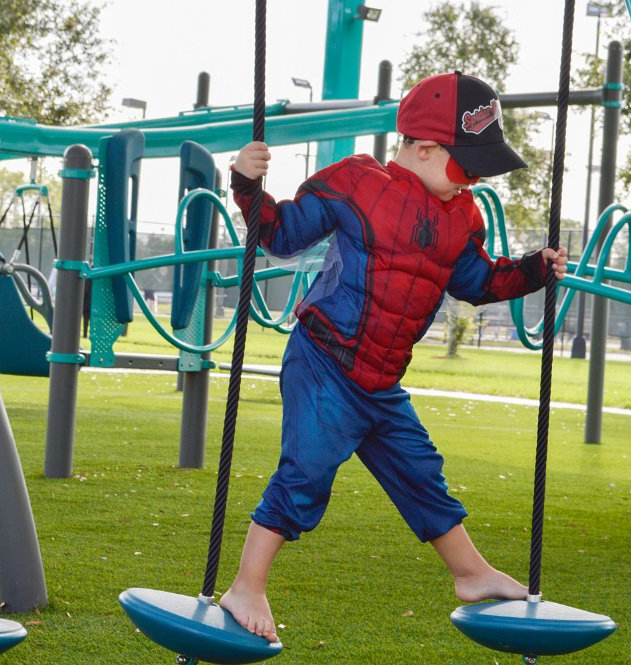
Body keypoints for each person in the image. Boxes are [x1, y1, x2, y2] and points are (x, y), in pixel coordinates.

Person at [220, 72, 568, 642]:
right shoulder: (356, 182)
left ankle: (470, 573)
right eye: (468, 167)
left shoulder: (462, 216)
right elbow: (279, 234)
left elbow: (477, 282)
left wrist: (533, 269)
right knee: (306, 473)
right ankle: (246, 585)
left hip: (380, 382)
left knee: (420, 471)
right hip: (325, 360)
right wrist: (246, 184)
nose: (475, 180)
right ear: (424, 148)